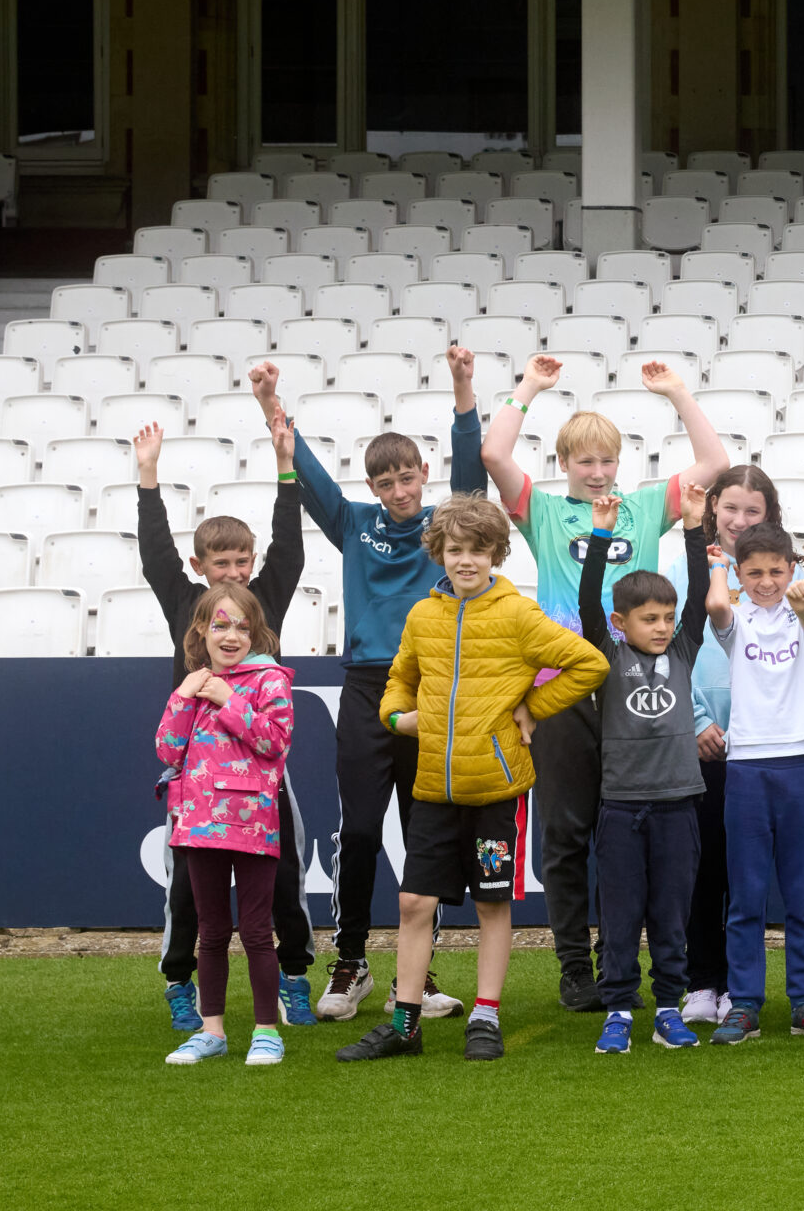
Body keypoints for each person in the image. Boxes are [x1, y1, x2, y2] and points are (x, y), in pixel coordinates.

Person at [481, 353, 731, 1011]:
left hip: (630, 690)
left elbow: (713, 464)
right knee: (566, 835)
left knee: (626, 829)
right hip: (562, 687)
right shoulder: (541, 510)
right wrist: (530, 387)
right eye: (584, 462)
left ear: (619, 462)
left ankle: (615, 958)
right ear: (566, 464)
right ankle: (573, 967)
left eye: (605, 461)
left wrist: (678, 392)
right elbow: (494, 453)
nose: (596, 474)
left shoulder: (646, 506)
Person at [255, 348, 483, 1024]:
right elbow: (307, 472)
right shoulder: (355, 524)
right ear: (375, 486)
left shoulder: (447, 528)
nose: (400, 490)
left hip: (430, 686)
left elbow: (471, 472)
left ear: (422, 475)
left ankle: (420, 972)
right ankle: (350, 964)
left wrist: (462, 386)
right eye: (386, 482)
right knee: (358, 831)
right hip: (365, 686)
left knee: (424, 836)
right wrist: (271, 399)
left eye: (408, 477)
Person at [341, 494, 609, 1063]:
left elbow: (590, 663)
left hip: (496, 791)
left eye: (478, 550)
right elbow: (399, 678)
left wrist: (533, 707)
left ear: (496, 553)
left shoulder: (517, 614)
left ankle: (485, 1017)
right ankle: (405, 1024)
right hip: (434, 788)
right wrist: (396, 717)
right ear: (438, 552)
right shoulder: (422, 616)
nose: (466, 560)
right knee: (414, 903)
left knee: (491, 905)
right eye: (455, 549)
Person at [133, 394, 313, 1034]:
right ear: (199, 568)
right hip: (198, 781)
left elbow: (290, 549)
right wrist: (148, 479)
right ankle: (180, 984)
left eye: (242, 561)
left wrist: (286, 467)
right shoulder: (185, 601)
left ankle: (293, 979)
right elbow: (154, 554)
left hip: (262, 774)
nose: (234, 573)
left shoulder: (266, 599)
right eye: (221, 564)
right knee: (187, 890)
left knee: (282, 878)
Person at [578, 488, 716, 1053]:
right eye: (649, 619)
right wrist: (602, 535)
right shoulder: (608, 656)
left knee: (669, 915)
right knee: (620, 915)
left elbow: (701, 594)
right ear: (621, 622)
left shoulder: (683, 651)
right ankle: (618, 1011)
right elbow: (588, 599)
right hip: (620, 808)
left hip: (679, 803)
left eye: (666, 617)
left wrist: (693, 528)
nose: (661, 627)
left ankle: (666, 1008)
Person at [702, 524, 804, 1044]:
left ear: (791, 571)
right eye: (754, 572)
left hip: (802, 762)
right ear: (740, 575)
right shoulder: (734, 618)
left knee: (803, 896)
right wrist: (719, 564)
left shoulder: (801, 613)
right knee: (747, 897)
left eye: (776, 571)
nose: (766, 581)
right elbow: (717, 606)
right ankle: (744, 1004)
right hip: (746, 768)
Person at [155, 587, 296, 1067]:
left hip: (254, 825)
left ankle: (266, 1031)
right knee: (211, 931)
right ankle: (211, 1029)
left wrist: (229, 698)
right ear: (201, 633)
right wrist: (183, 695)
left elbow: (275, 742)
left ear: (256, 634)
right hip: (197, 826)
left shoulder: (269, 680)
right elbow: (168, 751)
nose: (231, 635)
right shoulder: (193, 684)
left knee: (257, 930)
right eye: (220, 626)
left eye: (241, 627)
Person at [683, 467, 787, 1029]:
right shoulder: (687, 565)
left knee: (746, 872)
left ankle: (741, 986)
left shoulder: (774, 576)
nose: (740, 521)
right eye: (731, 509)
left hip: (759, 743)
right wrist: (696, 719)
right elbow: (672, 650)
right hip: (703, 743)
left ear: (768, 515)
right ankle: (702, 981)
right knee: (703, 871)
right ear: (713, 509)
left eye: (753, 511)